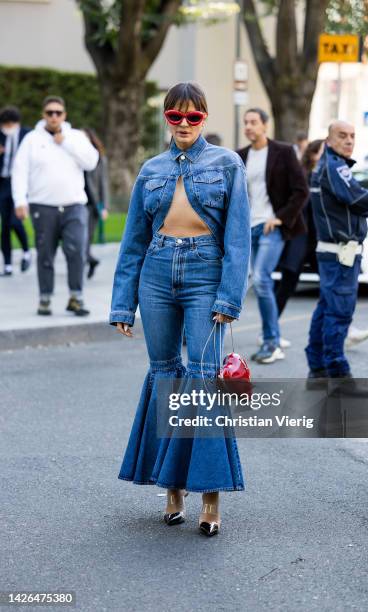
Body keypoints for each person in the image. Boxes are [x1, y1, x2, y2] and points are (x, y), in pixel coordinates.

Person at [110, 81, 250, 537]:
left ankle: (209, 496)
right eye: (176, 117)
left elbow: (238, 239)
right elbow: (132, 242)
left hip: (204, 273)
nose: (185, 124)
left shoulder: (228, 164)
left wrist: (229, 297)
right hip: (155, 273)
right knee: (166, 376)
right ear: (166, 119)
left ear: (205, 118)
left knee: (205, 378)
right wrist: (122, 304)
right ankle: (172, 490)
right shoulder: (151, 170)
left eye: (193, 117)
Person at [305, 120, 368, 393]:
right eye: (342, 136)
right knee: (339, 312)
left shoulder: (329, 165)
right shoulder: (335, 167)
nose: (349, 141)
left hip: (333, 252)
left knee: (326, 309)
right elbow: (362, 199)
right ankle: (338, 375)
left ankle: (318, 369)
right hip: (339, 254)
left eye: (352, 136)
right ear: (329, 140)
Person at [12, 96, 99, 316]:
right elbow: (19, 171)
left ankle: (76, 297)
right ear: (43, 115)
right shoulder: (31, 139)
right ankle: (45, 298)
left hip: (74, 206)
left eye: (58, 113)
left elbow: (92, 161)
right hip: (43, 206)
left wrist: (66, 143)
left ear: (64, 115)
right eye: (49, 112)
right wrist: (20, 200)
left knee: (77, 251)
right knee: (45, 254)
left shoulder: (76, 137)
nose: (53, 116)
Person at [237, 108, 308, 364]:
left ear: (265, 125)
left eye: (253, 122)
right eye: (245, 122)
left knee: (261, 278)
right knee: (254, 280)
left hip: (271, 228)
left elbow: (301, 190)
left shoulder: (283, 152)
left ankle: (272, 341)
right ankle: (270, 337)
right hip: (248, 228)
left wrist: (280, 217)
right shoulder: (240, 156)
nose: (248, 127)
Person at [275, 139, 324, 318]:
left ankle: (345, 330)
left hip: (318, 241)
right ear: (312, 155)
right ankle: (268, 333)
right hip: (300, 240)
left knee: (330, 287)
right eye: (322, 152)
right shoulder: (303, 176)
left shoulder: (326, 177)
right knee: (287, 286)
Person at [0, 106, 31, 276]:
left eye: (11, 124)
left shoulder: (27, 135)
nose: (8, 128)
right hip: (3, 183)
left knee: (15, 221)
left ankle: (26, 252)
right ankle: (8, 264)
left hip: (21, 183)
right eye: (5, 125)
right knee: (4, 225)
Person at [83, 128, 110, 279]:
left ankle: (88, 262)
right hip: (76, 203)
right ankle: (90, 261)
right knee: (77, 240)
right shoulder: (75, 157)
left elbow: (103, 183)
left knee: (85, 240)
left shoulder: (99, 158)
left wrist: (104, 206)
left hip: (91, 205)